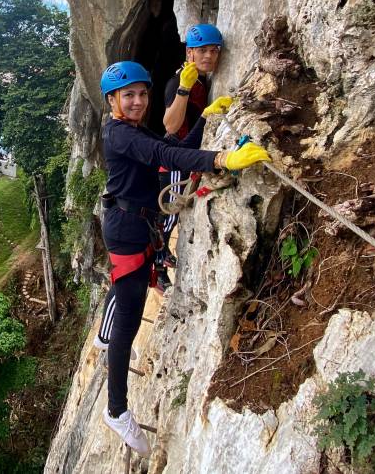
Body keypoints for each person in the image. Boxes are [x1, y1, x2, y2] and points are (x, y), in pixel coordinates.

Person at [94, 61, 270, 456]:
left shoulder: (132, 129)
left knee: (128, 308)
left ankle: (112, 361)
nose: (138, 101)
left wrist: (205, 121)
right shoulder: (119, 133)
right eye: (129, 95)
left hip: (136, 224)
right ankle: (116, 409)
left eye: (142, 93)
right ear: (112, 101)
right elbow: (162, 154)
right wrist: (221, 160)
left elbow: (172, 150)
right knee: (127, 321)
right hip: (126, 229)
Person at [157, 23, 226, 291]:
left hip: (185, 153)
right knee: (170, 215)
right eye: (202, 51)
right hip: (174, 156)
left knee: (174, 214)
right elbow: (170, 125)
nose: (208, 56)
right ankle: (159, 268)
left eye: (213, 50)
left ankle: (163, 257)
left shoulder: (200, 81)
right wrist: (183, 90)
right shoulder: (179, 82)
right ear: (190, 54)